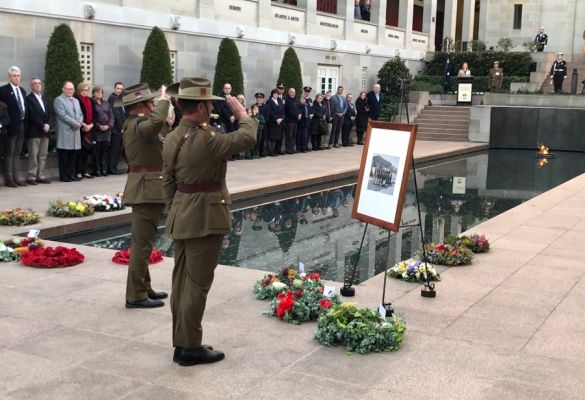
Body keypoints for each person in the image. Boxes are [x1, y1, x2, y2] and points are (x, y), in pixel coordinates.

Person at [162, 77, 257, 366]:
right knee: (197, 284)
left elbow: (167, 182)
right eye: (209, 105)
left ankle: (181, 343)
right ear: (201, 106)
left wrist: (175, 209)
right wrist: (243, 115)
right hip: (205, 217)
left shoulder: (172, 137)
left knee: (181, 282)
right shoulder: (206, 138)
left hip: (183, 215)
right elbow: (247, 138)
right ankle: (190, 347)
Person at [118, 82, 174, 309]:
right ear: (140, 105)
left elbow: (160, 134)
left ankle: (144, 287)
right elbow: (155, 124)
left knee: (145, 243)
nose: (154, 106)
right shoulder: (138, 124)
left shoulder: (136, 123)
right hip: (146, 189)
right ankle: (135, 295)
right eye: (151, 103)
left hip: (148, 188)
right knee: (141, 245)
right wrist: (164, 101)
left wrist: (165, 120)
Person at [0, 66, 27, 187]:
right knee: (9, 152)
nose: (17, 78)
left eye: (18, 76)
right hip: (10, 126)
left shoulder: (22, 90)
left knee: (17, 152)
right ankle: (9, 178)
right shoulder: (3, 90)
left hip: (21, 125)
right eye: (14, 76)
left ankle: (17, 177)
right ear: (9, 77)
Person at [54, 81, 83, 182]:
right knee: (64, 156)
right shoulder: (59, 100)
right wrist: (75, 123)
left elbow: (80, 114)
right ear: (63, 89)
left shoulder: (76, 100)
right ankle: (64, 176)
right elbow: (62, 115)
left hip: (75, 132)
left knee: (73, 155)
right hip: (66, 131)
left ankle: (72, 174)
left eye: (72, 89)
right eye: (68, 89)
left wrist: (79, 122)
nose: (70, 91)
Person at [25, 78, 51, 184]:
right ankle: (31, 176)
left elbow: (50, 113)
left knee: (43, 155)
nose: (38, 85)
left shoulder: (44, 98)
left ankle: (41, 175)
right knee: (33, 155)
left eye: (39, 83)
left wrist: (49, 124)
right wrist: (42, 125)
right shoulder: (28, 99)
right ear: (31, 86)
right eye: (35, 83)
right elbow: (32, 115)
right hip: (34, 131)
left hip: (45, 131)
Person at [92, 86, 114, 176]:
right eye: (97, 92)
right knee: (97, 150)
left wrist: (109, 125)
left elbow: (111, 115)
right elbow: (92, 117)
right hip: (97, 130)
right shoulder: (92, 103)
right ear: (93, 93)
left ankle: (104, 169)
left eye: (101, 92)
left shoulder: (106, 103)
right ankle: (97, 170)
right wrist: (99, 126)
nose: (99, 94)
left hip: (107, 130)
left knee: (105, 149)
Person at [75, 83, 95, 179]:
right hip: (81, 129)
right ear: (79, 90)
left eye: (87, 90)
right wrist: (83, 125)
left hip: (90, 129)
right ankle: (78, 171)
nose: (85, 92)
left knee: (87, 151)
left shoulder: (90, 100)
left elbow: (95, 114)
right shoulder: (76, 100)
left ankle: (85, 170)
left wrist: (91, 125)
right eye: (83, 90)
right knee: (80, 151)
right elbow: (76, 114)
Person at [107, 82, 126, 175]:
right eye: (118, 88)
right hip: (116, 129)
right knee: (114, 150)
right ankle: (111, 169)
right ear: (114, 88)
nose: (119, 90)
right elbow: (116, 115)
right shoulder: (112, 98)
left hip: (121, 129)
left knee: (118, 149)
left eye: (121, 89)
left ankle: (114, 167)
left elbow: (123, 113)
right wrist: (121, 128)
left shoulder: (120, 99)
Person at [266, 88, 284, 156]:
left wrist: (281, 118)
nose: (276, 95)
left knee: (276, 137)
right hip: (272, 122)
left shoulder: (279, 101)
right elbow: (270, 112)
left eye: (277, 94)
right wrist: (276, 119)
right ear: (272, 94)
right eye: (274, 94)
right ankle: (271, 151)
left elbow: (282, 110)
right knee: (271, 137)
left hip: (279, 122)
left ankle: (275, 150)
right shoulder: (269, 101)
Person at [284, 87, 300, 153]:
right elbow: (289, 111)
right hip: (289, 121)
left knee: (293, 136)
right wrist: (297, 115)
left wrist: (299, 114)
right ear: (289, 93)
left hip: (295, 121)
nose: (293, 93)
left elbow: (298, 109)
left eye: (294, 92)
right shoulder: (287, 100)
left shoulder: (296, 100)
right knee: (289, 136)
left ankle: (292, 148)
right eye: (291, 92)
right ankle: (288, 149)